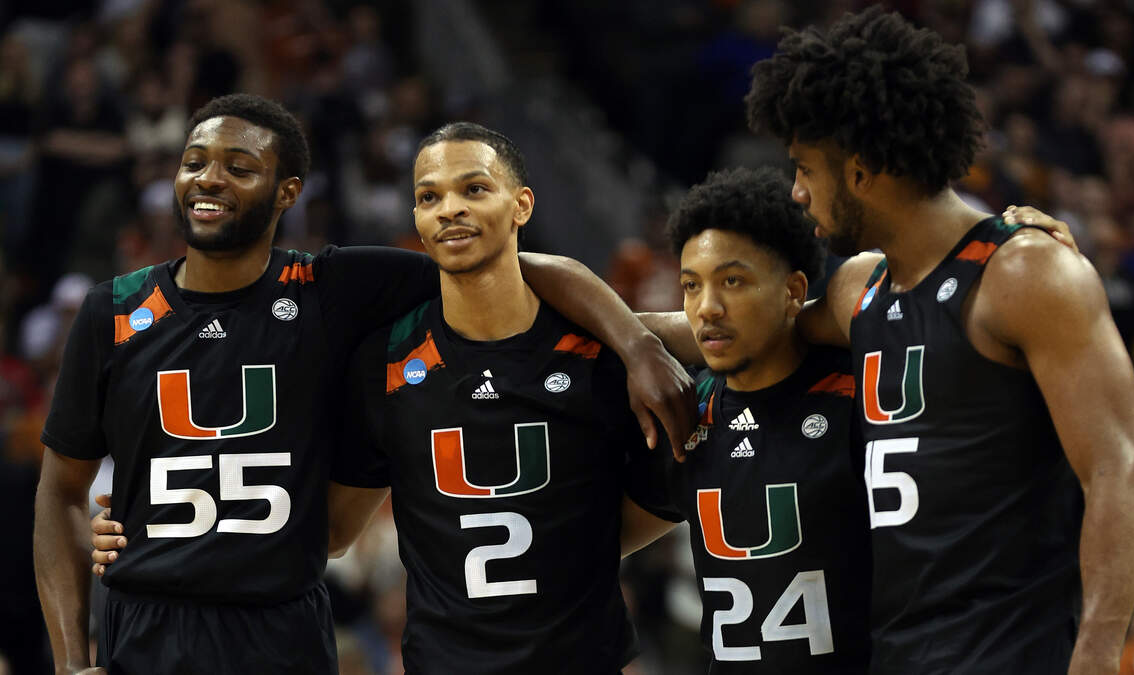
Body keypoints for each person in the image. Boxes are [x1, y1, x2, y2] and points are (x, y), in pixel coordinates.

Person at [34, 95, 694, 675]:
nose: (209, 178)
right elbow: (60, 492)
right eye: (194, 161)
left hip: (281, 626)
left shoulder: (332, 289)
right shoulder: (111, 311)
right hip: (146, 624)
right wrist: (69, 660)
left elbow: (514, 275)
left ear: (288, 192)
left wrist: (638, 342)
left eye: (240, 166)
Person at [740, 7, 1134, 675]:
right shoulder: (858, 289)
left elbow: (1117, 469)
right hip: (895, 653)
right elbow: (739, 336)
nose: (796, 192)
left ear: (861, 171)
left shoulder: (1026, 273)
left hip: (1011, 655)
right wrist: (613, 325)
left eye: (806, 169)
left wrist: (1098, 656)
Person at [327, 122, 680, 673]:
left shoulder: (598, 351)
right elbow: (333, 531)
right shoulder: (383, 362)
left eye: (474, 189)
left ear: (522, 206)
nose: (449, 209)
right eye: (429, 197)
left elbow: (660, 497)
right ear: (416, 219)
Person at [621, 167, 871, 673]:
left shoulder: (858, 393)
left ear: (794, 290)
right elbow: (589, 543)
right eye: (691, 286)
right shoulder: (687, 411)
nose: (707, 308)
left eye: (732, 281)